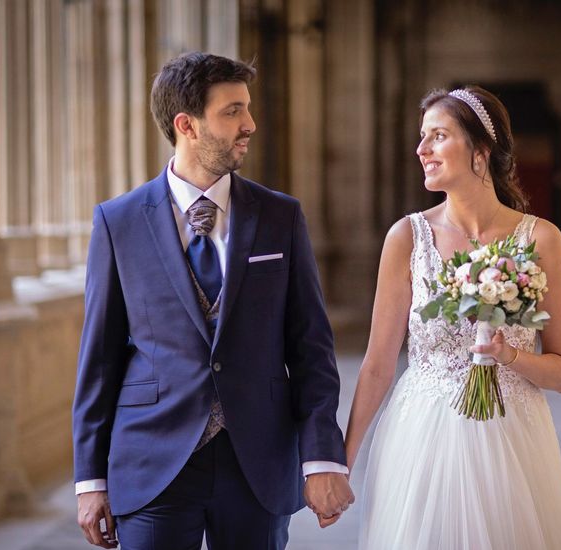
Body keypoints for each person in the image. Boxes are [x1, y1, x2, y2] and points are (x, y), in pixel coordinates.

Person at [72, 52, 353, 550]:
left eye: (246, 108)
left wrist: (322, 458)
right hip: (152, 459)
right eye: (232, 111)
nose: (250, 124)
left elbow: (310, 348)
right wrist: (90, 478)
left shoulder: (280, 216)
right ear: (187, 125)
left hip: (258, 461)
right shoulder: (119, 222)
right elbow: (99, 359)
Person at [344, 85, 561, 549]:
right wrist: (342, 462)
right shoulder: (407, 237)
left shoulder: (542, 240)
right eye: (421, 137)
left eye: (438, 136)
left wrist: (507, 354)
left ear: (480, 152)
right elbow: (377, 364)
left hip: (512, 439)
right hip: (420, 439)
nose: (422, 149)